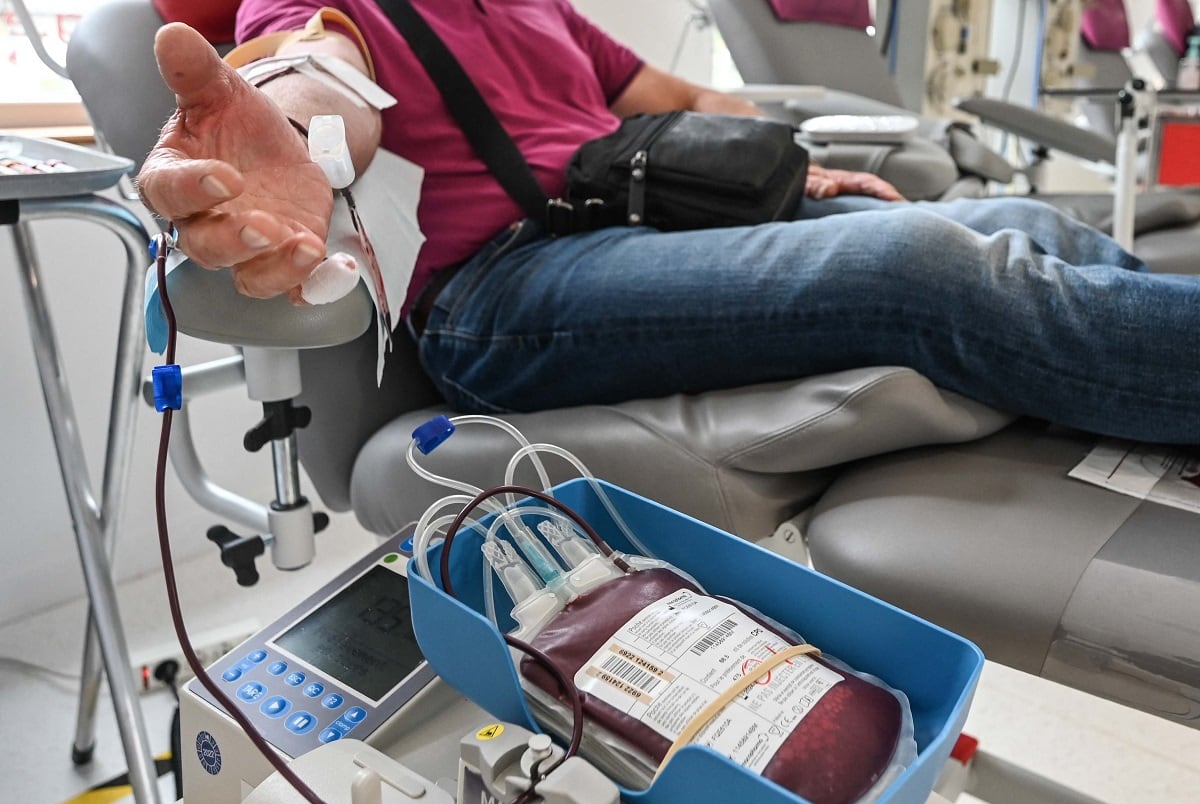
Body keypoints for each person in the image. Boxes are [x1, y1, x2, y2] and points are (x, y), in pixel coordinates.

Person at [137, 0, 1200, 445]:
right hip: (500, 300)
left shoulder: (533, 7)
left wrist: (797, 170)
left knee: (1013, 215)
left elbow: (686, 102)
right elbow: (314, 73)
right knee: (923, 263)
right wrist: (281, 120)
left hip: (629, 230)